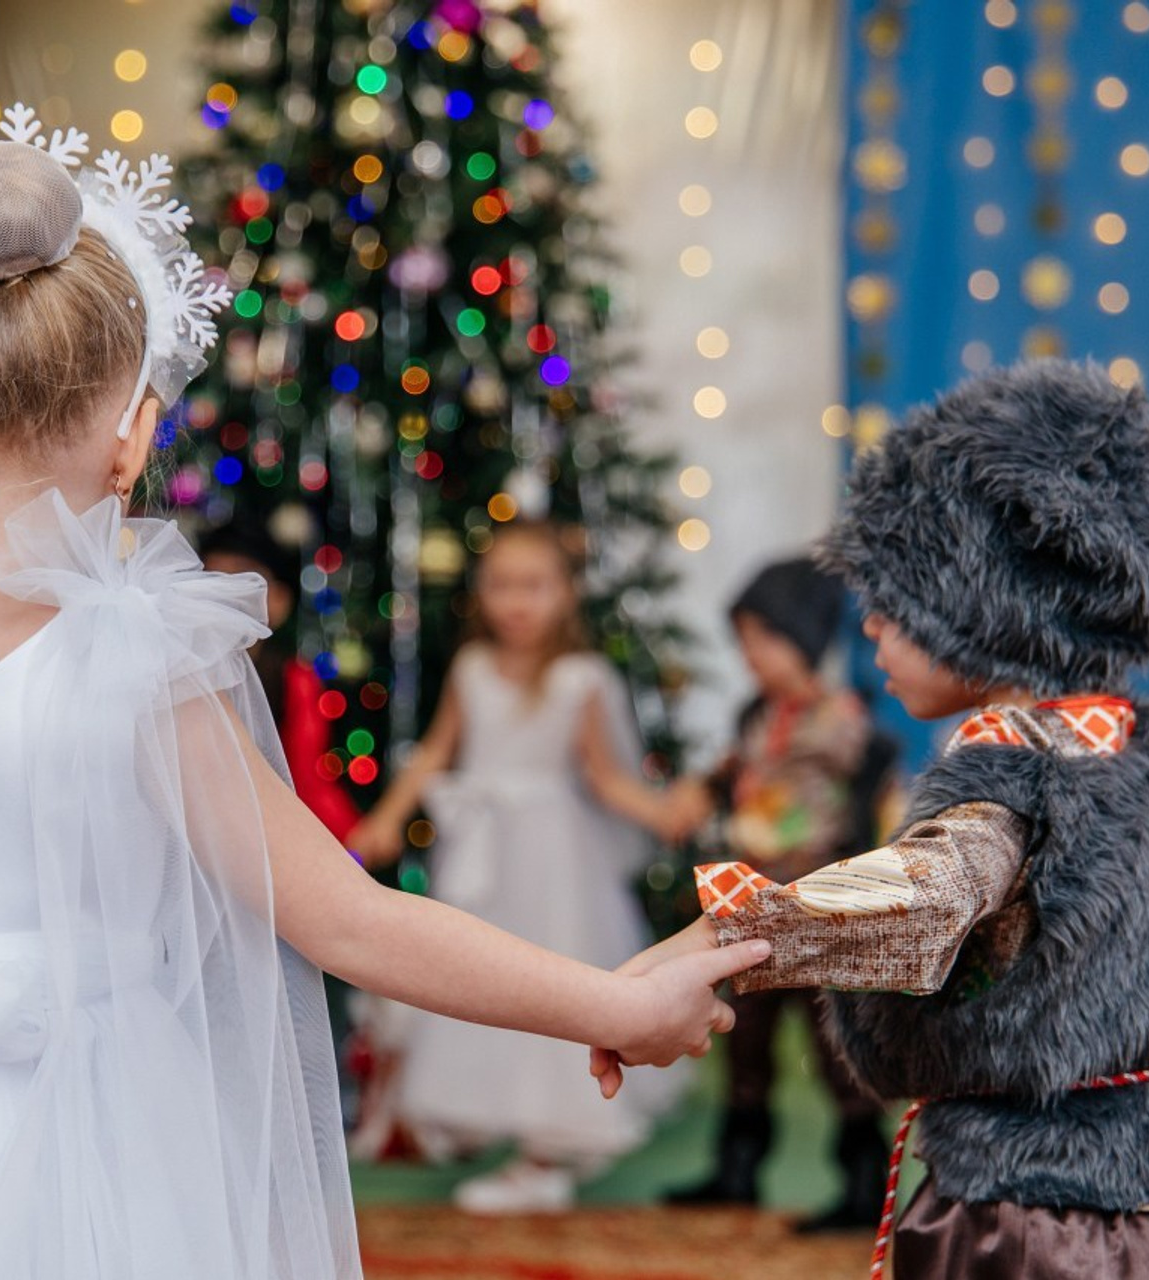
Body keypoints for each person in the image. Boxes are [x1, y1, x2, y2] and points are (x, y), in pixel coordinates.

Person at [0, 109, 769, 1279]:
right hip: (86, 1149)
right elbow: (347, 920)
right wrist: (611, 1003)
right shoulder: (123, 651)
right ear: (135, 438)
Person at [599, 360, 1149, 1277]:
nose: (872, 631)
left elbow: (922, 901)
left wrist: (717, 938)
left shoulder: (1017, 782)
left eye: (895, 606)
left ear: (982, 614)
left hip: (1027, 1219)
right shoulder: (1120, 753)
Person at [349, 521, 694, 1212]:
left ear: (566, 594)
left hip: (552, 860)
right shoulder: (472, 668)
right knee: (470, 971)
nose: (517, 601)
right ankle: (478, 1110)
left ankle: (548, 1148)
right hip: (481, 856)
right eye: (502, 585)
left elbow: (603, 776)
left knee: (552, 977)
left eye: (534, 586)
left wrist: (663, 813)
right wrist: (387, 816)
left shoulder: (580, 679)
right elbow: (436, 751)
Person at [663, 557, 893, 1230]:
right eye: (743, 643)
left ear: (804, 637)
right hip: (758, 907)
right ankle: (737, 1167)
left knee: (836, 1045)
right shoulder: (757, 717)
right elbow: (734, 772)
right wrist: (706, 791)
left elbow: (877, 792)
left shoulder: (843, 719)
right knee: (746, 1036)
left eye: (764, 640)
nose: (752, 657)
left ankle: (863, 1182)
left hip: (819, 907)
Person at [198, 517, 361, 844]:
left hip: (271, 838)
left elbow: (307, 778)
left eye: (242, 581)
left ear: (280, 600)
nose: (226, 596)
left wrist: (353, 836)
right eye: (213, 580)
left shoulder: (295, 680)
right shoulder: (184, 678)